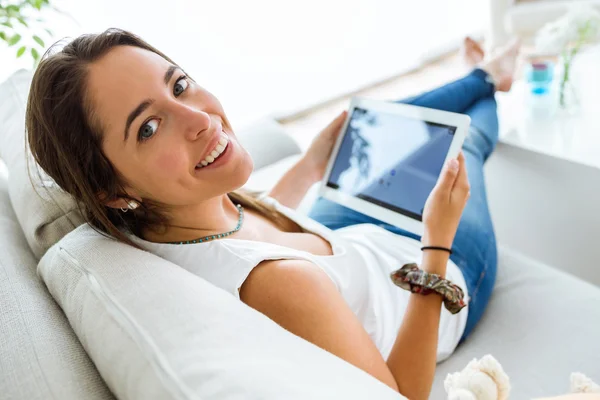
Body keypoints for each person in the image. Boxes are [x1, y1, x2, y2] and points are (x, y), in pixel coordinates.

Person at [26, 29, 517, 399]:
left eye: (179, 85)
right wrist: (436, 244)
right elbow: (400, 392)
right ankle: (492, 78)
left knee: (379, 122)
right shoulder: (282, 286)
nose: (200, 119)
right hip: (431, 273)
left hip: (350, 237)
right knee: (466, 137)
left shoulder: (170, 220)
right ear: (111, 190)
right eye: (150, 127)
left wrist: (309, 166)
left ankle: (482, 74)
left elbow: (245, 234)